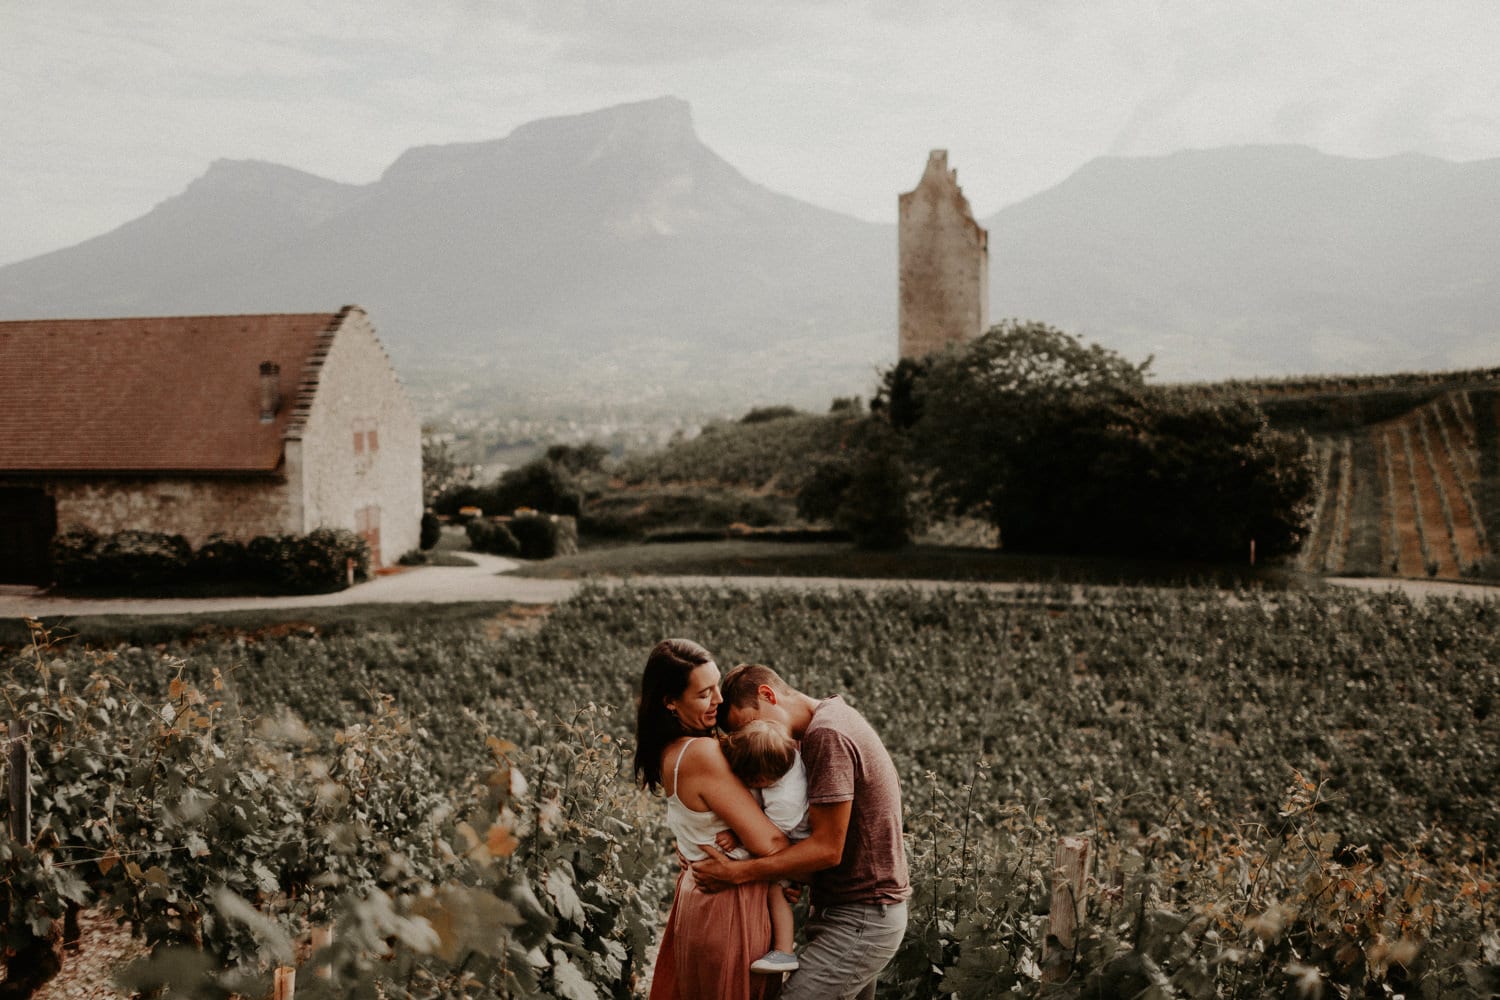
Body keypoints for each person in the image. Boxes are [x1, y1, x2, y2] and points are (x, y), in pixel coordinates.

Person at [693, 664, 910, 1000]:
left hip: (863, 918)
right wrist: (793, 872)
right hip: (855, 912)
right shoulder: (827, 722)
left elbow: (828, 849)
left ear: (768, 694)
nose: (754, 739)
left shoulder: (827, 735)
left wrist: (738, 872)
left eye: (750, 724)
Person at [634, 639, 789, 1000]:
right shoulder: (702, 753)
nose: (719, 699)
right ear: (670, 702)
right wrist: (793, 870)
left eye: (717, 686)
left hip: (699, 901)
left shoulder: (670, 750)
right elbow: (771, 843)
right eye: (704, 694)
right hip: (731, 904)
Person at [720, 719, 812, 975]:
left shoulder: (786, 800)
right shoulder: (779, 759)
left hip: (795, 842)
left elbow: (768, 836)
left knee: (776, 889)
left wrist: (737, 839)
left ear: (760, 778)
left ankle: (784, 951)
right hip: (781, 830)